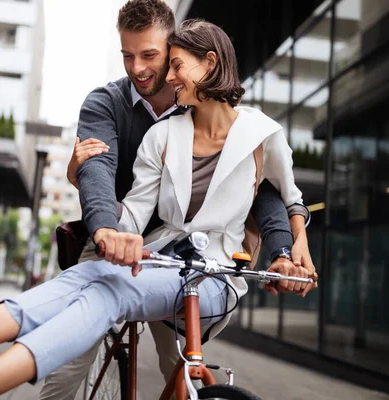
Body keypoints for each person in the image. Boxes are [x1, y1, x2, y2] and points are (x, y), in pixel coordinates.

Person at [0, 17, 318, 400]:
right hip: (156, 258)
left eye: (173, 64)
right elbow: (127, 203)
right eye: (152, 62)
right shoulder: (161, 134)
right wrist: (112, 231)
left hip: (213, 278)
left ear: (210, 63)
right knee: (92, 277)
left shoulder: (262, 133)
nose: (167, 76)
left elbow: (282, 195)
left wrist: (294, 251)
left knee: (108, 292)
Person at [39, 0, 314, 398]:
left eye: (150, 55)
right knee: (71, 355)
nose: (137, 68)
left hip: (180, 256)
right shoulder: (106, 103)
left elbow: (262, 190)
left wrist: (284, 249)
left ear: (173, 50)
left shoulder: (203, 108)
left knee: (182, 369)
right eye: (127, 56)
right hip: (117, 238)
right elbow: (98, 171)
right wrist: (104, 229)